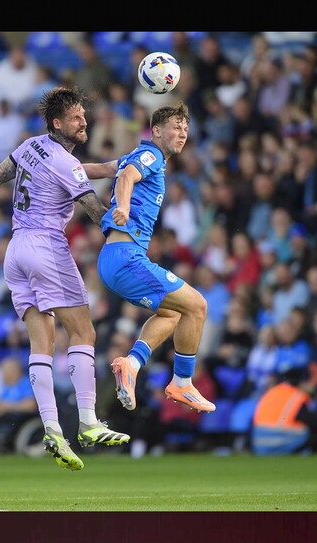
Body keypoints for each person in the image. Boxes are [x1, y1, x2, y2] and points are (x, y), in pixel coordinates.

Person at [0, 87, 130, 471]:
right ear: (58, 123)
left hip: (15, 253)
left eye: (84, 115)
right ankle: (87, 423)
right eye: (77, 117)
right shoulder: (66, 166)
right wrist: (124, 233)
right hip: (46, 247)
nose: (85, 121)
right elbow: (92, 206)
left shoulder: (32, 146)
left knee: (42, 344)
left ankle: (52, 428)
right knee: (83, 334)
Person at [88, 102, 216, 415]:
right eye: (176, 127)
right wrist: (125, 207)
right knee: (198, 306)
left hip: (114, 259)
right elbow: (126, 177)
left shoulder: (138, 155)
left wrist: (63, 170)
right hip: (126, 256)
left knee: (173, 315)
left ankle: (131, 364)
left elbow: (104, 169)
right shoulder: (152, 156)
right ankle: (182, 383)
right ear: (156, 131)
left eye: (185, 128)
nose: (182, 133)